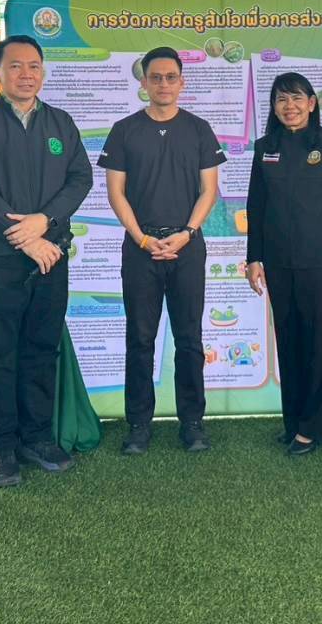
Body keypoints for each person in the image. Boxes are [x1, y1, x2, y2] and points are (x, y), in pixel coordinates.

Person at [0, 35, 93, 487]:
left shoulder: (60, 122)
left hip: (52, 253)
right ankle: (1, 444)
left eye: (34, 66)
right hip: (2, 256)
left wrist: (44, 222)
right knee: (0, 352)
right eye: (15, 66)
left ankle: (37, 437)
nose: (26, 74)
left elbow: (80, 178)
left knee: (42, 346)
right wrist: (24, 238)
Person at [98, 46, 225, 455]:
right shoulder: (124, 130)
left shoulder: (199, 129)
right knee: (140, 338)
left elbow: (209, 190)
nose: (164, 84)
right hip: (141, 248)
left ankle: (192, 423)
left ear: (181, 82)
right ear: (144, 82)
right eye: (156, 77)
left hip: (187, 246)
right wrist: (141, 237)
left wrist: (187, 232)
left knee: (189, 338)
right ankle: (138, 425)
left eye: (171, 77)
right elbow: (115, 193)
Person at [246, 72, 322, 456]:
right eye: (281, 100)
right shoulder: (265, 147)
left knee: (318, 345)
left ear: (311, 103)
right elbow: (256, 206)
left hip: (321, 263)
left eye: (296, 99)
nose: (289, 106)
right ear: (273, 107)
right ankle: (293, 422)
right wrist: (253, 258)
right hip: (278, 263)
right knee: (289, 343)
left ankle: (313, 426)